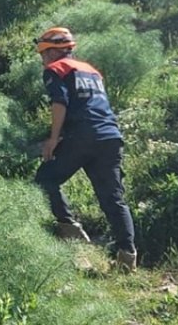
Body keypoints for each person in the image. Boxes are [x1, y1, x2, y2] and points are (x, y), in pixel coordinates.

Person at [32, 26, 137, 270]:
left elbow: (60, 103)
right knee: (113, 199)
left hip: (82, 135)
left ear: (51, 52)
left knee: (46, 178)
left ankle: (70, 228)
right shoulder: (92, 71)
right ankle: (127, 257)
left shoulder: (54, 69)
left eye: (43, 53)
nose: (42, 59)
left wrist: (53, 139)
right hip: (111, 136)